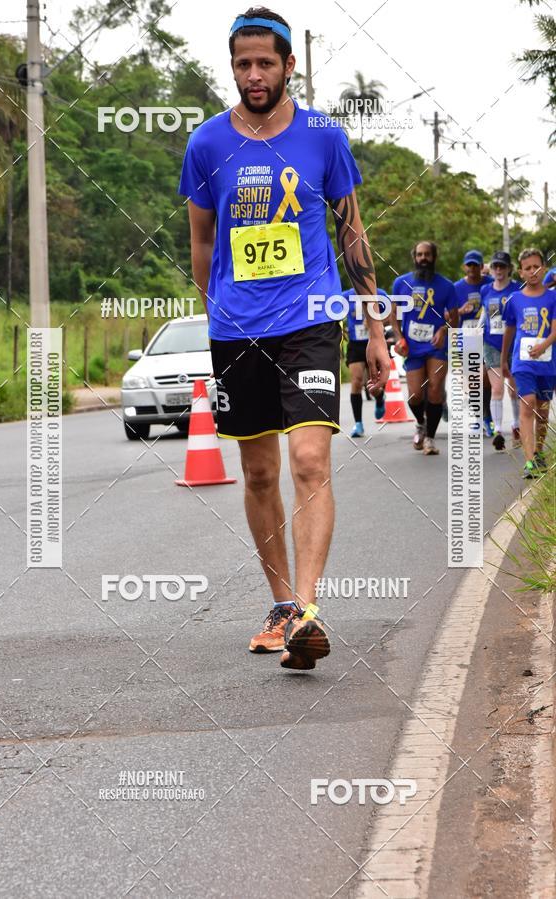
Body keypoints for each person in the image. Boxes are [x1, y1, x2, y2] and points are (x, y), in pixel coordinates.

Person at [178, 7, 390, 670]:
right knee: (261, 469)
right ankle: (280, 601)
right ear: (232, 66)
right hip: (237, 327)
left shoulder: (324, 137)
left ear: (289, 65)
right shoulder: (207, 145)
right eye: (242, 63)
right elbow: (203, 242)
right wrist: (215, 316)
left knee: (308, 462)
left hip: (312, 319)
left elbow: (352, 232)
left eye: (265, 62)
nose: (254, 74)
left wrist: (374, 326)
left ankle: (307, 609)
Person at [391, 241, 459, 455]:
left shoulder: (446, 286)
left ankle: (429, 438)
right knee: (415, 396)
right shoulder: (401, 283)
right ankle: (420, 422)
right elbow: (393, 315)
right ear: (414, 257)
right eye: (419, 254)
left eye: (427, 255)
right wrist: (399, 337)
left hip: (436, 346)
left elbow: (455, 317)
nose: (423, 258)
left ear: (434, 257)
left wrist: (443, 330)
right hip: (412, 347)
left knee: (435, 391)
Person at [501, 248, 556, 478]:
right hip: (522, 362)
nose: (532, 271)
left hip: (547, 361)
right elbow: (510, 329)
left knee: (542, 412)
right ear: (521, 272)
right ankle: (530, 460)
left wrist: (543, 346)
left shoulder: (553, 297)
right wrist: (503, 359)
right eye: (527, 268)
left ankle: (539, 450)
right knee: (528, 403)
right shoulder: (514, 300)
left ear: (543, 268)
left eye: (536, 266)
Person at [480, 251, 520, 450]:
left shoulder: (517, 290)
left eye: (502, 266)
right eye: (495, 266)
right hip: (491, 343)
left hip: (513, 344)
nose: (498, 270)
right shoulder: (485, 290)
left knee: (514, 389)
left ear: (509, 269)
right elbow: (483, 316)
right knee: (496, 388)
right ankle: (497, 431)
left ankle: (517, 425)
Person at [454, 250, 494, 436]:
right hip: (466, 338)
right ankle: (479, 418)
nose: (472, 268)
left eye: (475, 265)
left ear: (481, 267)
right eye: (469, 265)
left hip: (487, 337)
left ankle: (487, 418)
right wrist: (461, 311)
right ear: (464, 267)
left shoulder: (489, 284)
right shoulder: (456, 288)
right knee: (472, 382)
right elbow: (447, 315)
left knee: (486, 381)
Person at [343, 286, 387, 436]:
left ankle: (380, 398)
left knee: (373, 386)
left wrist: (376, 321)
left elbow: (392, 313)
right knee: (356, 381)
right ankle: (358, 424)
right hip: (356, 345)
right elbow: (331, 313)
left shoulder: (379, 294)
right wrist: (340, 328)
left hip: (374, 343)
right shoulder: (345, 296)